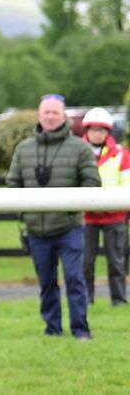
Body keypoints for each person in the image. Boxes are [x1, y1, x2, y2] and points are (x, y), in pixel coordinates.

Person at [6, 94, 101, 339]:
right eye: (46, 112)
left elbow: (92, 183)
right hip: (36, 230)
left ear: (64, 116)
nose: (49, 117)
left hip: (69, 228)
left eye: (54, 112)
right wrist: (25, 214)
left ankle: (81, 330)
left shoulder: (80, 148)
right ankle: (52, 330)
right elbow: (12, 184)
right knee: (46, 283)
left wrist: (71, 208)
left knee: (74, 279)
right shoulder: (24, 149)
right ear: (39, 115)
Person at [80, 107, 130, 305]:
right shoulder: (78, 152)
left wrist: (112, 204)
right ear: (87, 131)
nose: (97, 134)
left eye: (101, 130)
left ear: (108, 131)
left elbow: (127, 183)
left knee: (116, 261)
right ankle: (86, 300)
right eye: (93, 129)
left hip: (115, 216)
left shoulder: (121, 154)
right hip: (86, 216)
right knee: (85, 261)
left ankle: (119, 300)